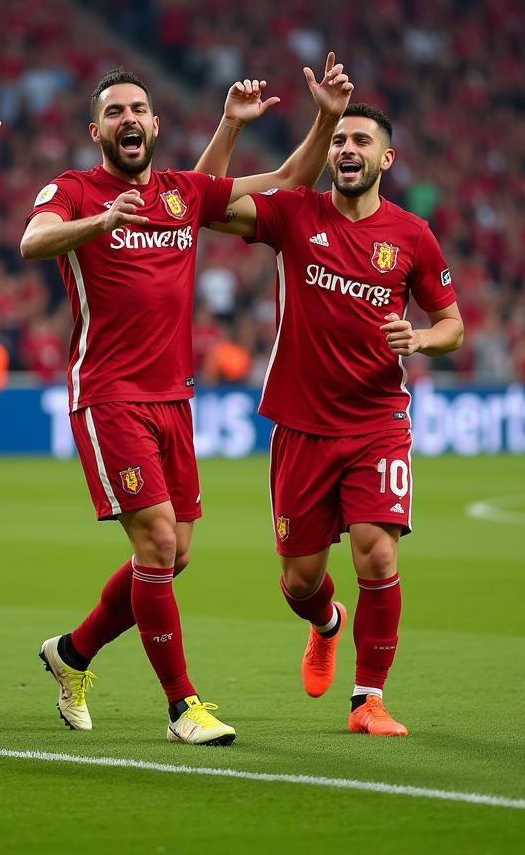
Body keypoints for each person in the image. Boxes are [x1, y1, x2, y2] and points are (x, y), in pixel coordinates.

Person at [20, 56, 353, 745]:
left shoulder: (178, 194)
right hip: (109, 394)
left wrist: (325, 117)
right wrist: (101, 221)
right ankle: (182, 707)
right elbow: (32, 240)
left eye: (138, 109)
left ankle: (72, 654)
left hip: (174, 398)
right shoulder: (76, 189)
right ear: (95, 130)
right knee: (157, 540)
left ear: (156, 122)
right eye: (114, 112)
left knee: (172, 558)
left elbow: (291, 182)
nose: (128, 120)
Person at [209, 102, 464, 736]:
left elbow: (454, 325)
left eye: (360, 140)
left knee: (377, 555)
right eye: (340, 140)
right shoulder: (294, 212)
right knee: (300, 582)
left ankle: (368, 700)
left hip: (378, 420)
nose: (347, 149)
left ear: (386, 158)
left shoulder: (413, 235)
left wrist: (423, 340)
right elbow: (207, 204)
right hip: (300, 426)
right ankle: (326, 623)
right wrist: (243, 125)